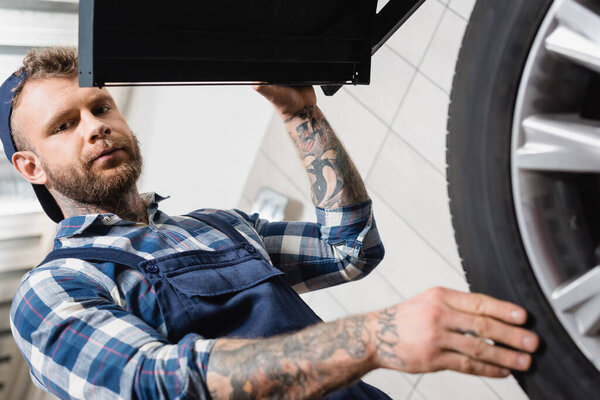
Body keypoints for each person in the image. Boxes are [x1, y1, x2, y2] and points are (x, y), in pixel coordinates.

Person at [3, 47, 539, 400]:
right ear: (31, 166)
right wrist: (373, 338)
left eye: (101, 107)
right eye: (65, 124)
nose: (95, 127)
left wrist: (301, 114)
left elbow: (351, 250)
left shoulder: (216, 226)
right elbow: (157, 384)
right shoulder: (54, 288)